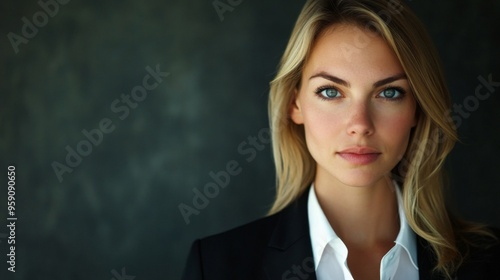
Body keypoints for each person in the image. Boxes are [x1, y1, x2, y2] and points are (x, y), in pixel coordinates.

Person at [181, 0, 500, 279]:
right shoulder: (217, 266)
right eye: (331, 92)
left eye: (389, 93)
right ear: (295, 104)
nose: (360, 125)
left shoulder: (490, 261)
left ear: (417, 107)